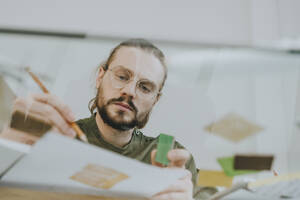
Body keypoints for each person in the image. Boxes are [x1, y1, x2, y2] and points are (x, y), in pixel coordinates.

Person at [12, 39, 216, 199]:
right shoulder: (56, 138)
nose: (129, 91)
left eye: (145, 87)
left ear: (155, 100)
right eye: (122, 76)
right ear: (100, 76)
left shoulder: (169, 154)